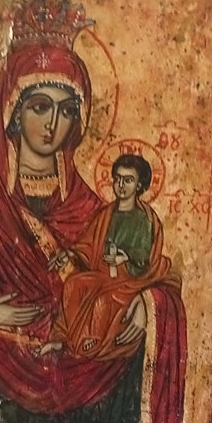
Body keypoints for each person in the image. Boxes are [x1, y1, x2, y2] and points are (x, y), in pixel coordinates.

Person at [0, 0, 187, 423]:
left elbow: (151, 277)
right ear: (12, 113)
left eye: (66, 110)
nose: (53, 123)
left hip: (94, 400)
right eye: (39, 106)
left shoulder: (97, 212)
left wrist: (147, 305)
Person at [43, 154, 178, 363]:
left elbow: (144, 259)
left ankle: (91, 340)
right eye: (118, 179)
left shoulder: (144, 219)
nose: (121, 185)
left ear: (139, 185)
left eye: (128, 180)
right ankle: (63, 338)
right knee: (74, 284)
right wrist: (71, 253)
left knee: (103, 300)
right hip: (103, 274)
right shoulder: (106, 214)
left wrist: (125, 259)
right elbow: (89, 244)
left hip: (129, 280)